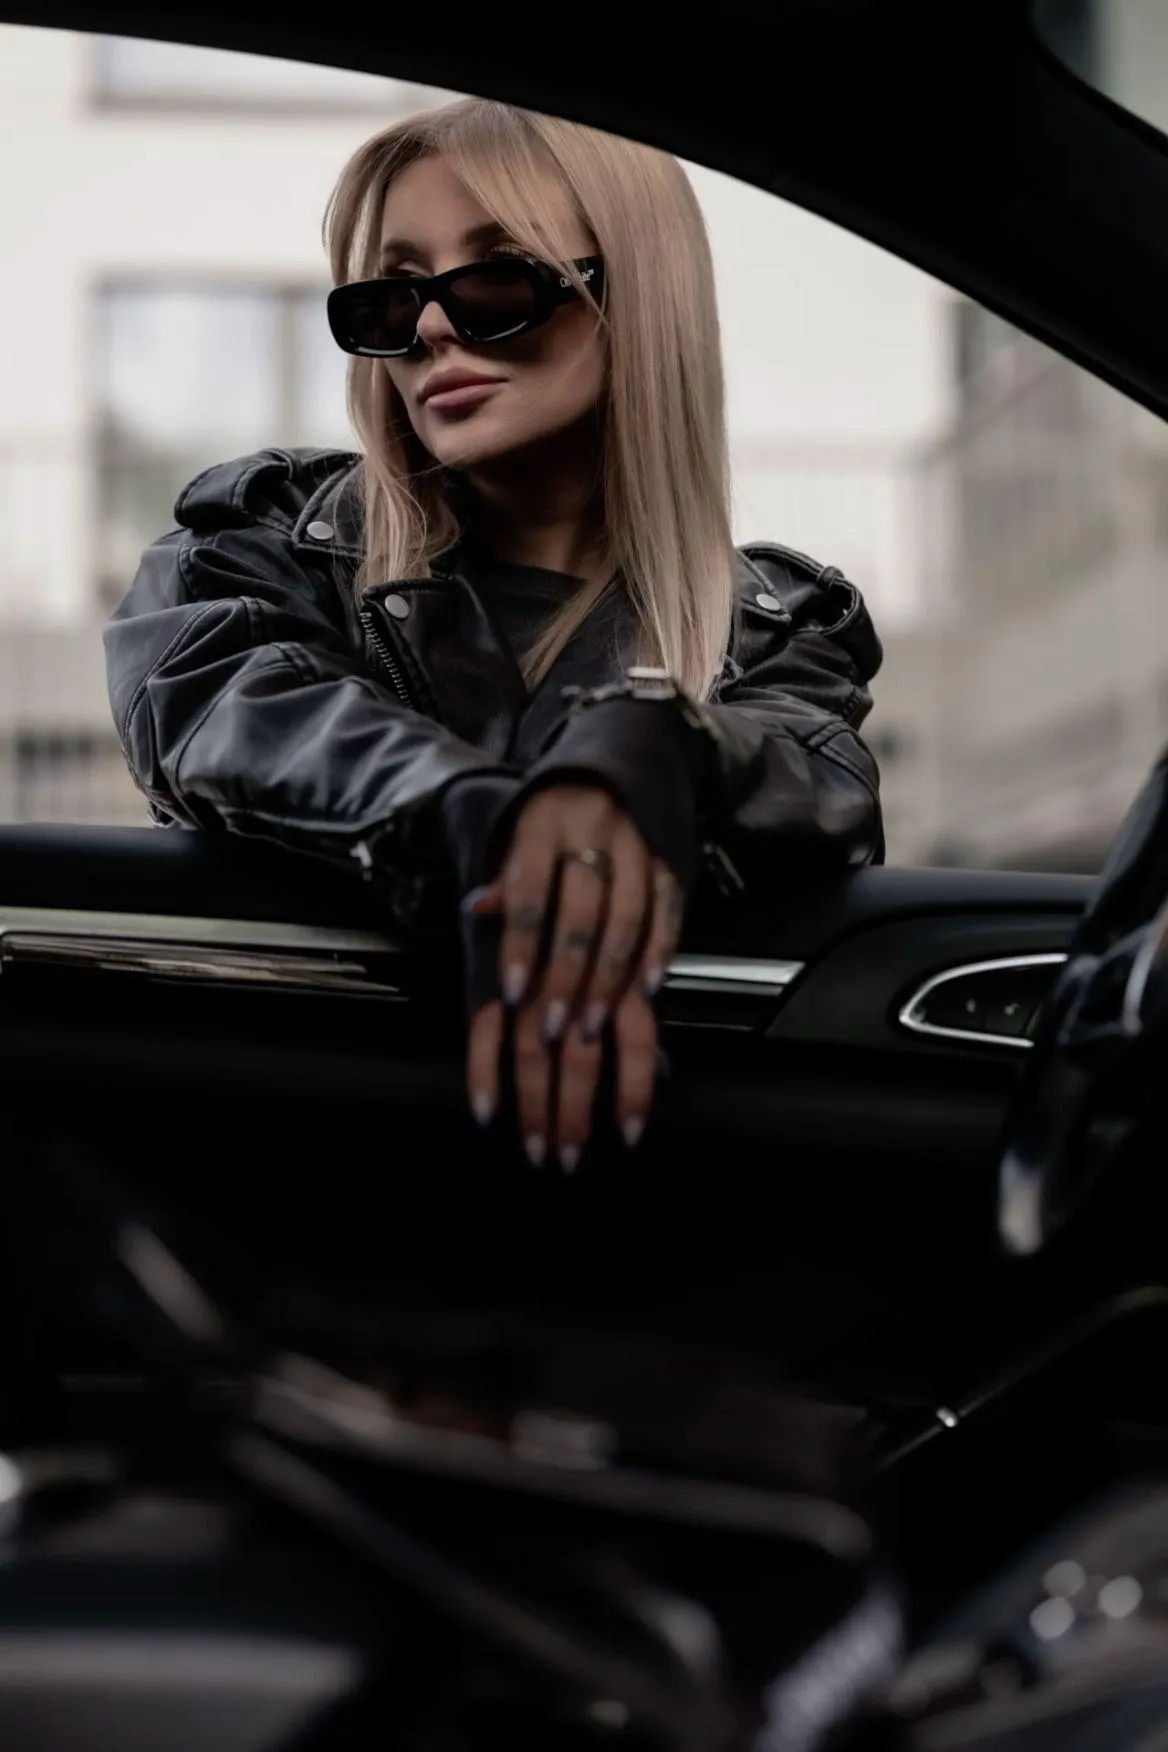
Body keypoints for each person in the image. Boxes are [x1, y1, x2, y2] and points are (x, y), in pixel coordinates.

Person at [104, 98, 884, 1174]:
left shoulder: (773, 627)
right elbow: (226, 698)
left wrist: (659, 753)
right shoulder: (266, 544)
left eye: (494, 280)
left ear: (636, 297)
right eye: (390, 294)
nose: (428, 328)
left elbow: (816, 779)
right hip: (290, 1173)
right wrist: (475, 818)